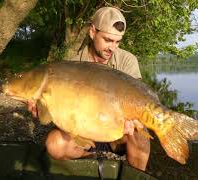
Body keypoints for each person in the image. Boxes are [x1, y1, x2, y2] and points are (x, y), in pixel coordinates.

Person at [28, 7, 150, 171]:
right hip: (82, 133)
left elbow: (138, 99)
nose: (112, 47)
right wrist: (43, 110)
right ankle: (91, 159)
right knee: (55, 145)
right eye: (107, 40)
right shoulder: (71, 65)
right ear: (92, 32)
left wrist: (134, 122)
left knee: (141, 138)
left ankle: (136, 175)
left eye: (117, 41)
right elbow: (60, 115)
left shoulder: (127, 61)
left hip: (117, 133)